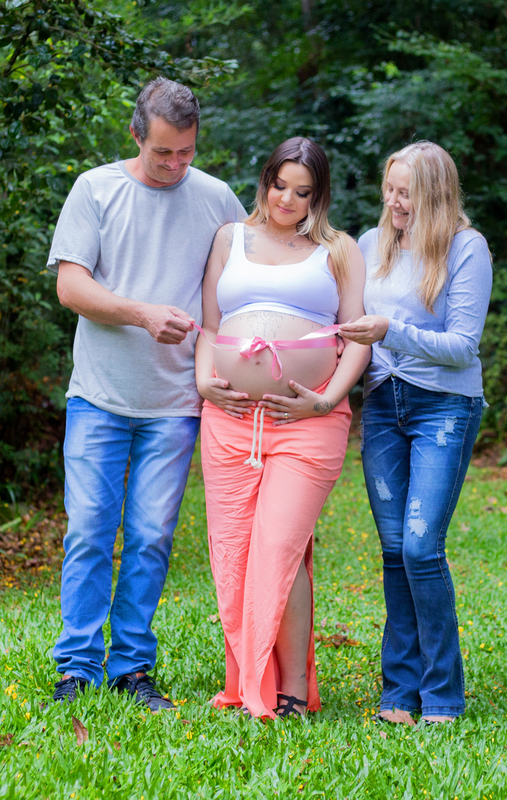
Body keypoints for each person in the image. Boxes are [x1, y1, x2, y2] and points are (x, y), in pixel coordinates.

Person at [46, 77, 247, 709]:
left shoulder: (216, 198)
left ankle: (133, 668)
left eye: (186, 152)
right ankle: (76, 666)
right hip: (99, 398)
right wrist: (141, 314)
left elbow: (252, 274)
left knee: (152, 538)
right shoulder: (95, 189)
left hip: (176, 405)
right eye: (163, 153)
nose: (175, 165)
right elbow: (70, 289)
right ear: (137, 135)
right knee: (87, 531)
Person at [195, 137, 370, 719]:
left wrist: (325, 400)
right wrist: (203, 380)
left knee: (281, 545)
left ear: (318, 195)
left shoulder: (339, 250)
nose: (287, 199)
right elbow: (210, 325)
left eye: (303, 191)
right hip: (231, 419)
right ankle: (249, 681)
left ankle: (292, 688)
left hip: (307, 422)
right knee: (236, 551)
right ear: (265, 178)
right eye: (280, 185)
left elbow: (357, 340)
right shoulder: (230, 239)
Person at [339, 141, 492, 726]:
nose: (394, 201)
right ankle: (398, 694)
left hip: (443, 407)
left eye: (406, 192)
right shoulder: (370, 245)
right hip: (382, 404)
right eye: (390, 188)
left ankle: (443, 696)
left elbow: (462, 347)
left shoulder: (465, 248)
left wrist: (390, 330)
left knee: (423, 547)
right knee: (395, 550)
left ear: (434, 194)